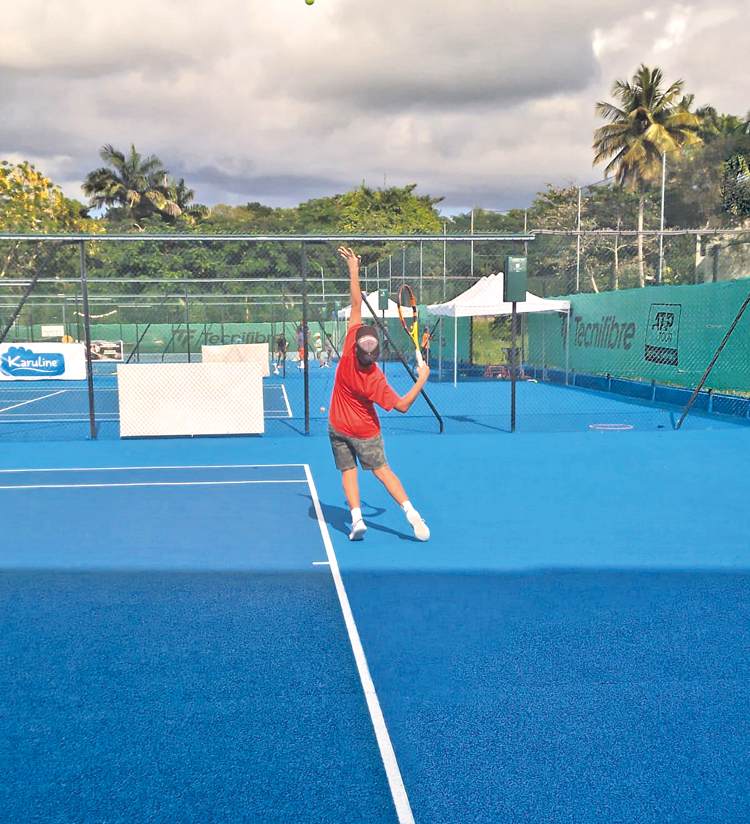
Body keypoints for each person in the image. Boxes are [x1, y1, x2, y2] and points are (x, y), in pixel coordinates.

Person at [328, 246, 431, 542]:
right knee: (383, 471)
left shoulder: (348, 350)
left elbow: (356, 303)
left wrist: (353, 269)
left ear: (357, 345)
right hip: (365, 432)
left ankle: (357, 518)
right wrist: (421, 379)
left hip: (337, 426)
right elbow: (401, 406)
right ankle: (411, 513)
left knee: (348, 472)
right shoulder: (375, 379)